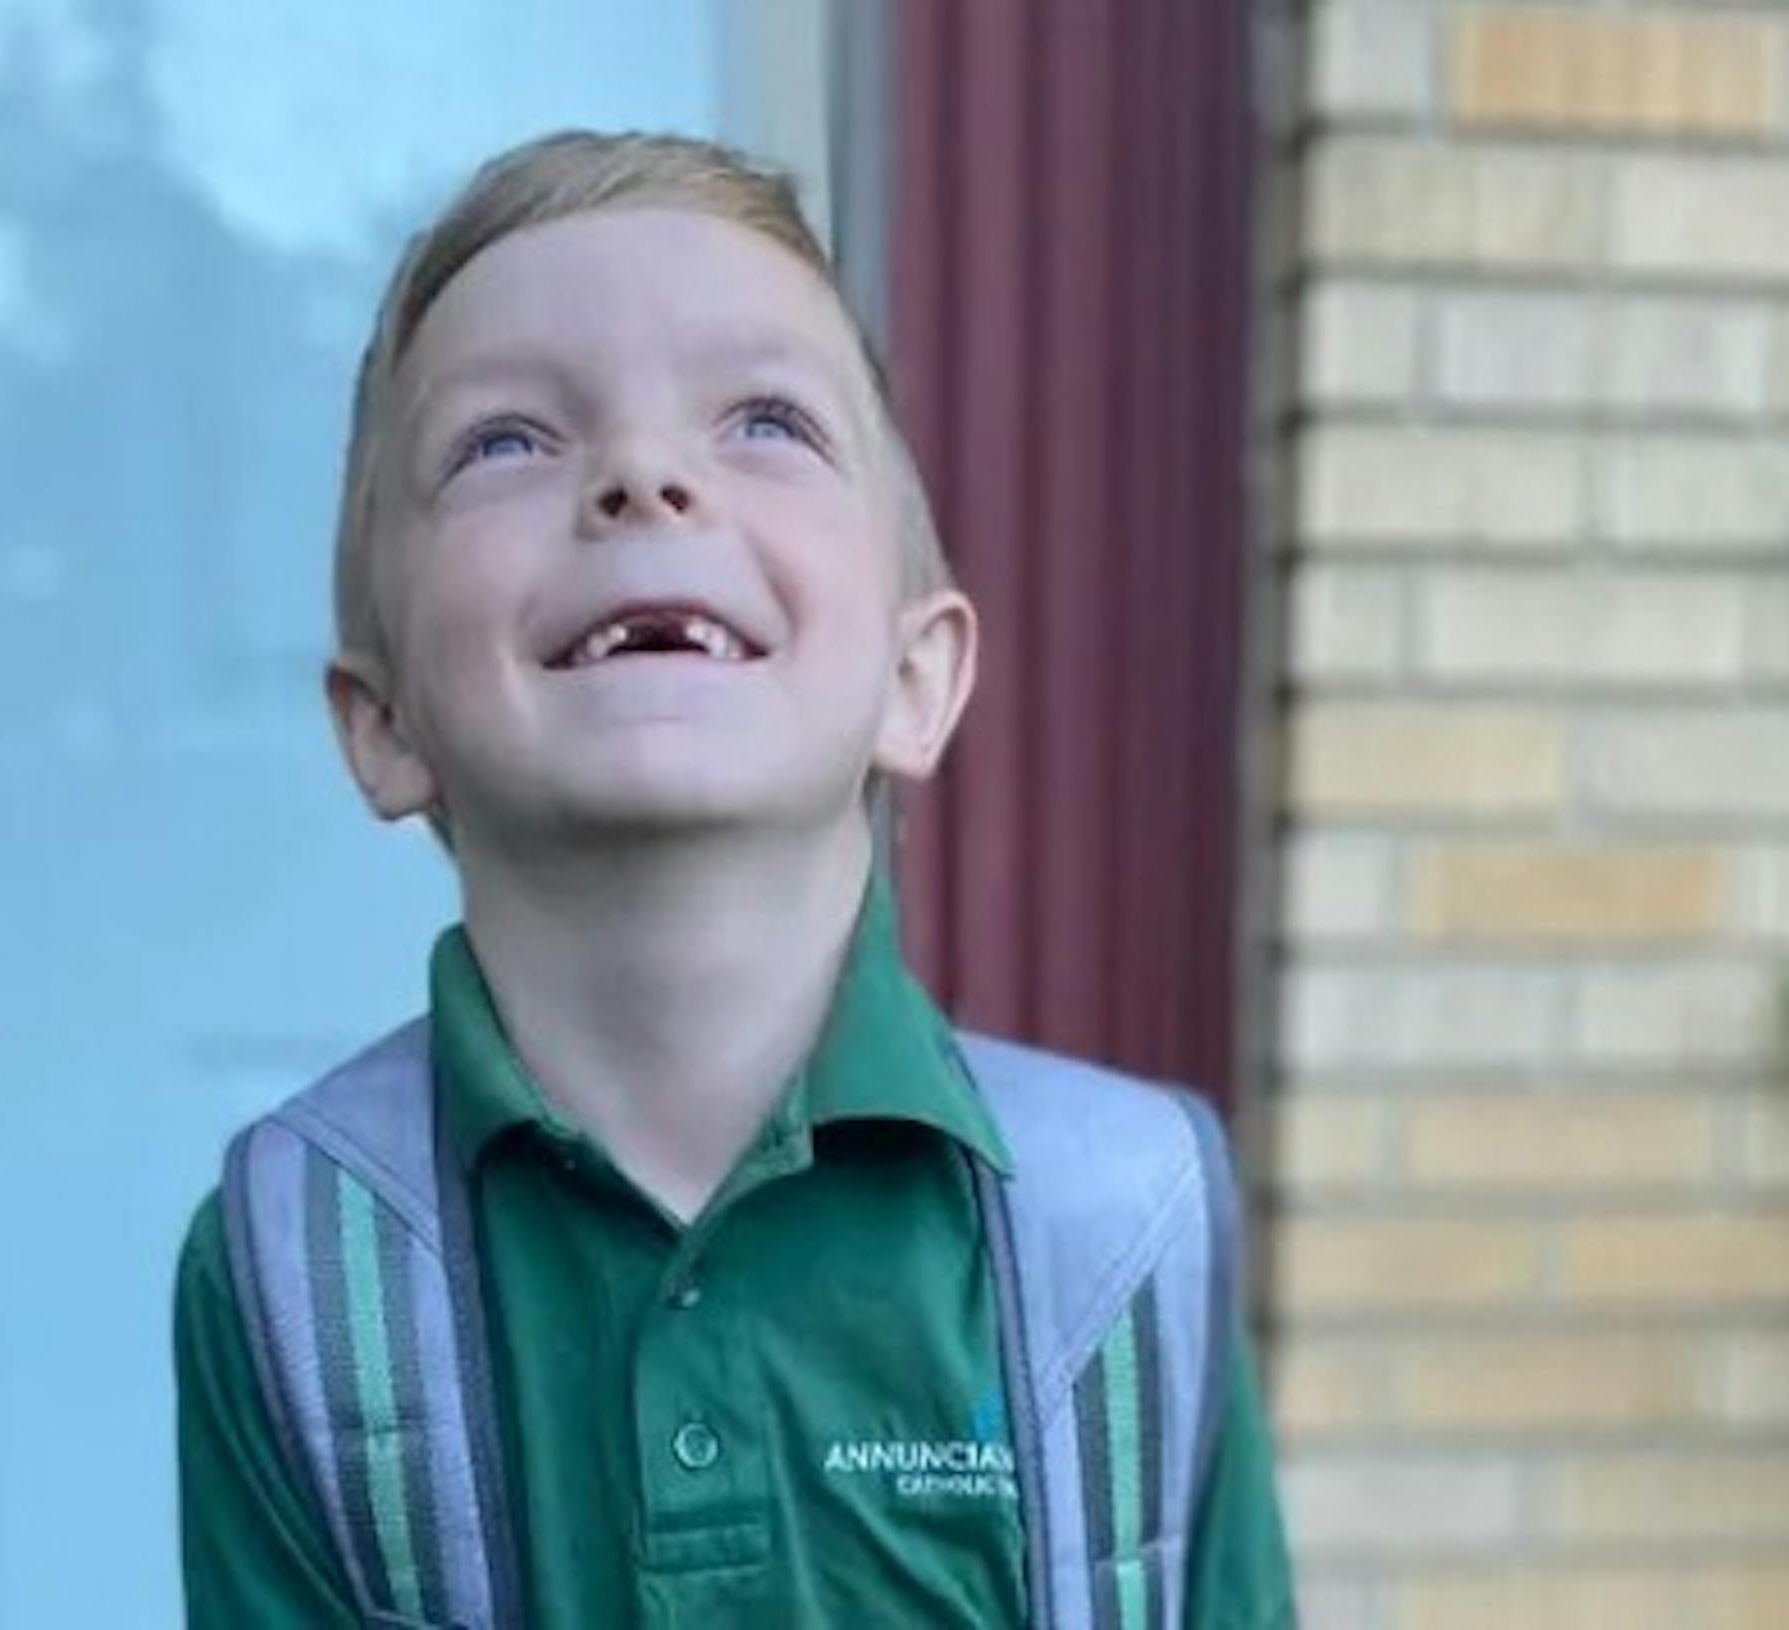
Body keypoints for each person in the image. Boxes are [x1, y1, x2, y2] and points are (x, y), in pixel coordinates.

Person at [173, 129, 1295, 1629]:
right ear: (384, 726)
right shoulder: (292, 1266)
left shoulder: (1131, 1224)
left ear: (916, 674)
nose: (643, 475)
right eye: (507, 440)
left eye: (764, 418)